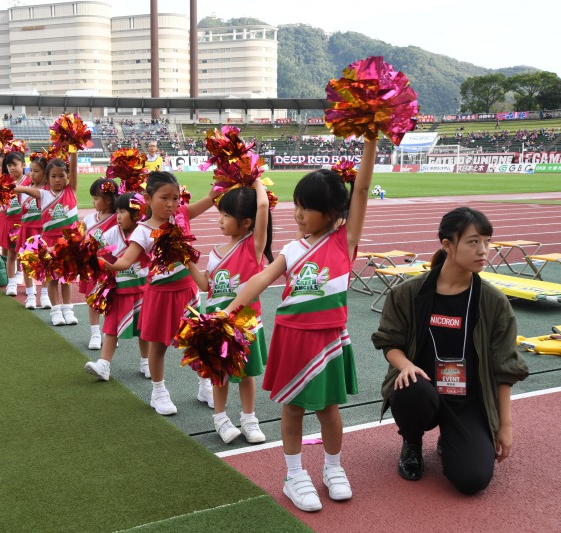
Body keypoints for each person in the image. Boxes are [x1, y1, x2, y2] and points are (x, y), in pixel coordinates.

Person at [219, 139, 377, 512]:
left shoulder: (345, 240)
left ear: (333, 212)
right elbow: (260, 279)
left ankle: (333, 468)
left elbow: (362, 189)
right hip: (292, 338)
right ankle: (293, 475)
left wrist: (371, 138)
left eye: (308, 208)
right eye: (298, 206)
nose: (299, 214)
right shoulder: (291, 250)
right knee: (292, 409)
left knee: (328, 410)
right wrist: (230, 309)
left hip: (328, 340)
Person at [371, 207, 529, 495]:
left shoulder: (493, 302)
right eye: (473, 241)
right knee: (409, 386)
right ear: (447, 245)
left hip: (467, 400)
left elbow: (504, 368)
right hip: (423, 391)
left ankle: (451, 437)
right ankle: (412, 442)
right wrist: (405, 365)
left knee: (472, 480)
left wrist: (504, 426)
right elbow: (389, 342)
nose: (483, 251)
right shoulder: (408, 293)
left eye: (487, 241)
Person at [104, 171, 220, 416]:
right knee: (158, 345)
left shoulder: (181, 215)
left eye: (175, 198)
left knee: (198, 342)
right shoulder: (142, 230)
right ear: (148, 198)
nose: (170, 203)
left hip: (187, 292)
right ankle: (158, 391)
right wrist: (103, 262)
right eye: (164, 197)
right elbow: (125, 261)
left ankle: (204, 386)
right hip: (159, 294)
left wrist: (225, 180)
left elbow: (210, 198)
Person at [187, 180, 272, 445]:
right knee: (219, 374)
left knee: (246, 375)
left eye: (226, 215)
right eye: (220, 214)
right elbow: (206, 286)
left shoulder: (253, 245)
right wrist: (187, 261)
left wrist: (254, 179)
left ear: (246, 222)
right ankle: (221, 418)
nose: (220, 220)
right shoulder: (215, 253)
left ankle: (249, 419)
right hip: (216, 321)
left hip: (245, 320)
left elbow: (262, 205)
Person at [84, 193, 150, 380]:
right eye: (117, 211)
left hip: (141, 290)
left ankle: (146, 362)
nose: (118, 216)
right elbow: (100, 251)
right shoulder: (112, 233)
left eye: (123, 212)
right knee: (111, 329)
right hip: (119, 290)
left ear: (136, 214)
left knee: (144, 330)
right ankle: (104, 365)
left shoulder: (145, 232)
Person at [15, 152, 79, 323]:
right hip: (50, 242)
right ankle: (56, 311)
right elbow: (21, 189)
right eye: (53, 176)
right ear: (47, 178)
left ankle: (68, 310)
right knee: (52, 279)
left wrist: (73, 150)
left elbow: (74, 167)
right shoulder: (43, 193)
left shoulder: (71, 190)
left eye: (61, 176)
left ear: (68, 176)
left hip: (69, 243)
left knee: (67, 279)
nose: (57, 180)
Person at [80, 178, 119, 349]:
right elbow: (80, 238)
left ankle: (110, 332)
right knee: (92, 299)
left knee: (111, 300)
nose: (93, 202)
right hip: (92, 267)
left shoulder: (119, 218)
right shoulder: (89, 218)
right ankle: (95, 333)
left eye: (96, 198)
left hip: (111, 266)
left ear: (108, 200)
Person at [13, 156, 50, 309]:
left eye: (37, 171)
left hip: (43, 230)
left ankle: (45, 294)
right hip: (27, 229)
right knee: (27, 263)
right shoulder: (23, 189)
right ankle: (30, 295)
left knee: (46, 262)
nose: (32, 174)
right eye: (31, 170)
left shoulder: (49, 190)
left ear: (45, 172)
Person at [1, 152, 30, 297]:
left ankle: (25, 280)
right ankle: (11, 283)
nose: (12, 168)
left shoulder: (29, 181)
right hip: (9, 221)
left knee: (26, 254)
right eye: (9, 165)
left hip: (25, 222)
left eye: (15, 164)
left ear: (23, 165)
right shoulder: (4, 182)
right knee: (11, 253)